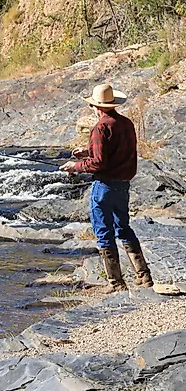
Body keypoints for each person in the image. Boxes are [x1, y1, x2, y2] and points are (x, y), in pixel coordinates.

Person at [59, 83, 154, 293]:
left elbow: (99, 164)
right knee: (124, 228)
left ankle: (115, 283)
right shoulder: (126, 123)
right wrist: (87, 151)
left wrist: (75, 167)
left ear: (97, 106)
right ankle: (144, 277)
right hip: (123, 186)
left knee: (103, 232)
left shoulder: (100, 127)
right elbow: (118, 151)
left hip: (104, 187)